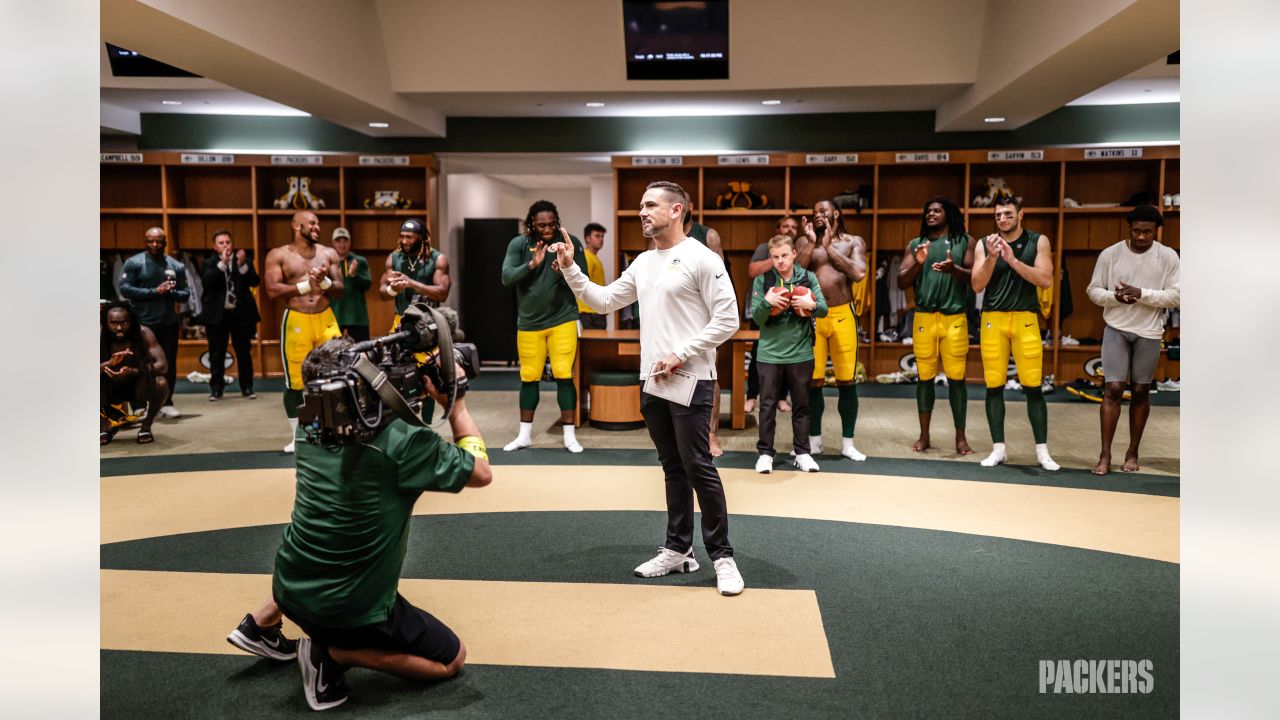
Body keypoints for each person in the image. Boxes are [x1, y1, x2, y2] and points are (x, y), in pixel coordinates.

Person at [225, 337, 493, 711]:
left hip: (287, 587)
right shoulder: (403, 443)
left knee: (330, 528)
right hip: (350, 612)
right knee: (451, 659)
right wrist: (458, 405)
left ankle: (261, 621)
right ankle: (332, 656)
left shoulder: (309, 425)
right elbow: (481, 473)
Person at [553, 181, 744, 596]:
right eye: (640, 206)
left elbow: (728, 320)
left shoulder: (702, 258)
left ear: (677, 210)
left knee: (698, 467)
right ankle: (678, 550)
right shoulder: (643, 262)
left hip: (692, 379)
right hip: (653, 381)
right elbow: (601, 300)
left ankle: (723, 557)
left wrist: (682, 352)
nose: (642, 212)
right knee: (672, 467)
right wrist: (570, 266)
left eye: (651, 205)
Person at [1085, 205, 1180, 475]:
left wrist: (1141, 293)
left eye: (1147, 232)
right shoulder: (1111, 254)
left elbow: (1177, 295)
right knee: (1113, 389)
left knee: (1140, 392)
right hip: (1115, 327)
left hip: (1149, 332)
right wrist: (1114, 298)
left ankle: (1133, 450)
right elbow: (1093, 290)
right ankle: (1105, 454)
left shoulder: (1168, 257)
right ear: (1130, 228)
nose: (1141, 237)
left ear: (1156, 231)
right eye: (1136, 231)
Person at [971, 198, 1059, 471]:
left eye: (1008, 214)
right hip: (993, 319)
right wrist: (993, 258)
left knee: (1033, 386)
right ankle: (998, 449)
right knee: (993, 385)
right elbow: (976, 285)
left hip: (1025, 318)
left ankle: (1042, 452)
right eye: (998, 215)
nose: (1002, 219)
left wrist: (1012, 259)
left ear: (1021, 214)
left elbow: (1045, 279)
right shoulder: (985, 243)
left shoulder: (1038, 241)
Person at [499, 200, 589, 453]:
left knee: (563, 374)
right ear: (531, 224)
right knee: (529, 377)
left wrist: (564, 271)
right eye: (542, 225)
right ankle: (524, 435)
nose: (548, 229)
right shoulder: (519, 244)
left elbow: (584, 280)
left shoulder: (569, 241)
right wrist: (531, 265)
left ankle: (569, 436)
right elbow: (506, 278)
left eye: (552, 224)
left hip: (563, 318)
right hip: (529, 322)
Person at [896, 197, 974, 454]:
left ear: (949, 214)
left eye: (937, 210)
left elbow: (976, 279)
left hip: (954, 318)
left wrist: (955, 270)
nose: (931, 214)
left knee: (957, 380)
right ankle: (924, 435)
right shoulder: (916, 244)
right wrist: (918, 263)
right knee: (924, 379)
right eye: (928, 210)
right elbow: (902, 282)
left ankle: (960, 438)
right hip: (925, 318)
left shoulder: (966, 241)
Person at [264, 210, 344, 453]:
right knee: (295, 382)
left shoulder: (329, 253)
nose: (317, 227)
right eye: (312, 223)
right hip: (296, 319)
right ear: (296, 226)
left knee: (337, 376)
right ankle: (298, 435)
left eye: (318, 223)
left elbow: (340, 289)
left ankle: (333, 430)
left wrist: (324, 283)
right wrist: (304, 285)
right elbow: (272, 291)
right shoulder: (279, 254)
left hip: (326, 318)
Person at [797, 200, 869, 461]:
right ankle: (814, 441)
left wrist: (829, 248)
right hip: (813, 314)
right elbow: (795, 273)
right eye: (814, 210)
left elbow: (859, 273)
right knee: (812, 381)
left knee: (846, 380)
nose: (818, 214)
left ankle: (847, 443)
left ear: (836, 213)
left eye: (823, 210)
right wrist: (810, 243)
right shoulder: (805, 241)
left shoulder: (853, 241)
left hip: (842, 315)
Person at [749, 234, 827, 473]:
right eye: (775, 257)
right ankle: (765, 454)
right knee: (767, 405)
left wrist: (810, 305)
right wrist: (767, 302)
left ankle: (803, 453)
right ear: (770, 258)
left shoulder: (808, 277)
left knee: (802, 406)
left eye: (784, 255)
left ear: (794, 254)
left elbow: (823, 309)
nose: (780, 261)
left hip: (801, 353)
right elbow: (757, 317)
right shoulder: (763, 281)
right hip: (769, 355)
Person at [380, 219, 449, 421]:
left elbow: (442, 293)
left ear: (422, 238)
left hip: (428, 324)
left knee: (428, 375)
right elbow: (382, 293)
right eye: (402, 236)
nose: (404, 240)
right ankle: (403, 425)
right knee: (397, 375)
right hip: (400, 322)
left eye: (409, 237)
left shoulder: (438, 259)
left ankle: (426, 425)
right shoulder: (393, 258)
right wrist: (394, 288)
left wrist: (411, 284)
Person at [119, 226, 189, 418]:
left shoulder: (176, 266)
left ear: (165, 243)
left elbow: (185, 294)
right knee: (139, 361)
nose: (155, 244)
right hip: (141, 322)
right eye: (151, 241)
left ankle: (167, 402)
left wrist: (171, 292)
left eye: (159, 241)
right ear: (145, 241)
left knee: (169, 364)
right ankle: (139, 403)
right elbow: (125, 289)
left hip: (168, 322)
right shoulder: (134, 263)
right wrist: (153, 292)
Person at [683, 207, 729, 457]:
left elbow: (721, 279)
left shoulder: (708, 235)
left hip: (704, 317)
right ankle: (685, 436)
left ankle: (711, 435)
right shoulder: (662, 238)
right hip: (676, 318)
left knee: (709, 376)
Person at [745, 216, 799, 413]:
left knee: (786, 356)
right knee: (758, 353)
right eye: (786, 226)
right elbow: (752, 271)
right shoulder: (764, 248)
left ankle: (781, 398)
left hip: (789, 311)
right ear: (778, 228)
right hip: (763, 307)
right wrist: (778, 257)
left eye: (794, 227)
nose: (790, 230)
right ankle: (751, 396)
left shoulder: (798, 251)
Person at [199, 228, 261, 400]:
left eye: (228, 242)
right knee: (216, 353)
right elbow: (207, 281)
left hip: (240, 314)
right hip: (218, 315)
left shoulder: (243, 260)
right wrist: (223, 264)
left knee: (244, 352)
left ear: (232, 244)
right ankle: (216, 389)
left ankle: (247, 388)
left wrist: (242, 266)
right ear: (215, 247)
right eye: (221, 243)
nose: (225, 245)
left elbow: (255, 281)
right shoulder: (209, 262)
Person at [100, 301, 167, 445]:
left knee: (161, 383)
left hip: (138, 385)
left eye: (124, 322)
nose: (119, 328)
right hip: (109, 385)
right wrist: (108, 364)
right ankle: (105, 426)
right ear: (106, 322)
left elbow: (163, 366)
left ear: (132, 321)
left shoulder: (144, 333)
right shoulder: (98, 335)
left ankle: (146, 425)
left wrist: (134, 372)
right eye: (113, 323)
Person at [328, 227, 371, 342]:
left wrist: (354, 276)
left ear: (350, 242)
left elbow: (367, 284)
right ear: (332, 242)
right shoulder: (328, 261)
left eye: (345, 241)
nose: (342, 244)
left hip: (357, 316)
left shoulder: (359, 261)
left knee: (362, 353)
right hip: (335, 315)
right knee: (332, 353)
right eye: (338, 241)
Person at [577, 222, 609, 330]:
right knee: (596, 346)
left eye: (602, 236)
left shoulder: (594, 257)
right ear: (588, 238)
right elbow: (584, 283)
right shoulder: (587, 257)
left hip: (595, 311)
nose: (601, 239)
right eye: (597, 236)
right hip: (590, 312)